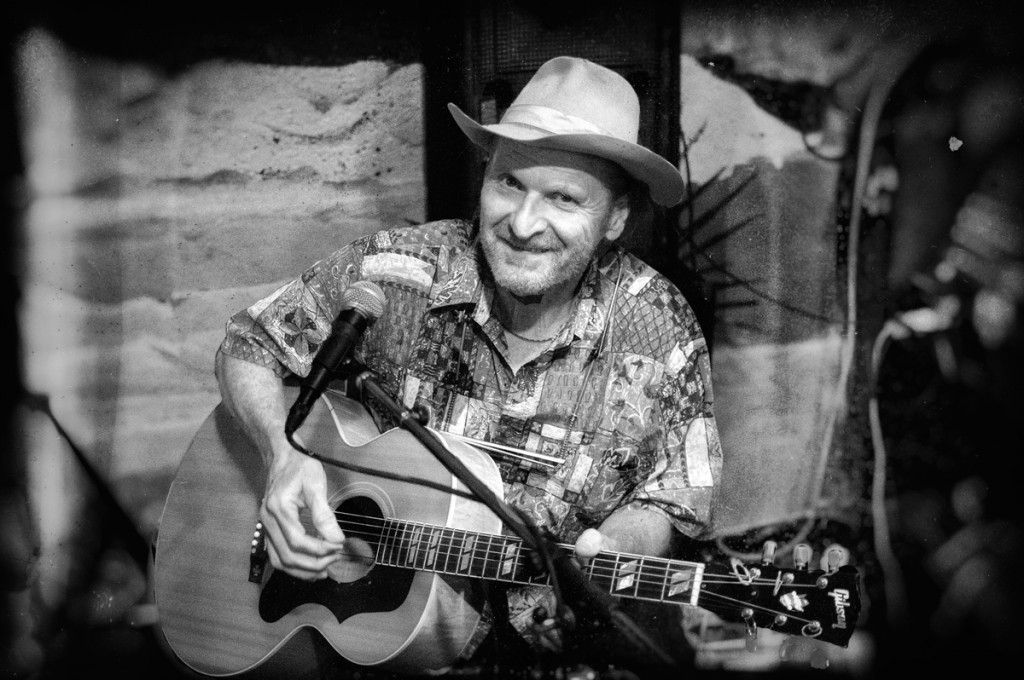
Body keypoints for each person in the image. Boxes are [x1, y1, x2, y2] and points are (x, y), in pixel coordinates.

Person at [214, 56, 723, 675]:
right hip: (384, 646)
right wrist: (280, 458)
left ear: (614, 218)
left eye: (563, 197)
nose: (524, 223)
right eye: (510, 183)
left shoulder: (659, 326)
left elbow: (672, 499)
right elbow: (247, 346)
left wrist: (611, 549)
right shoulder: (397, 273)